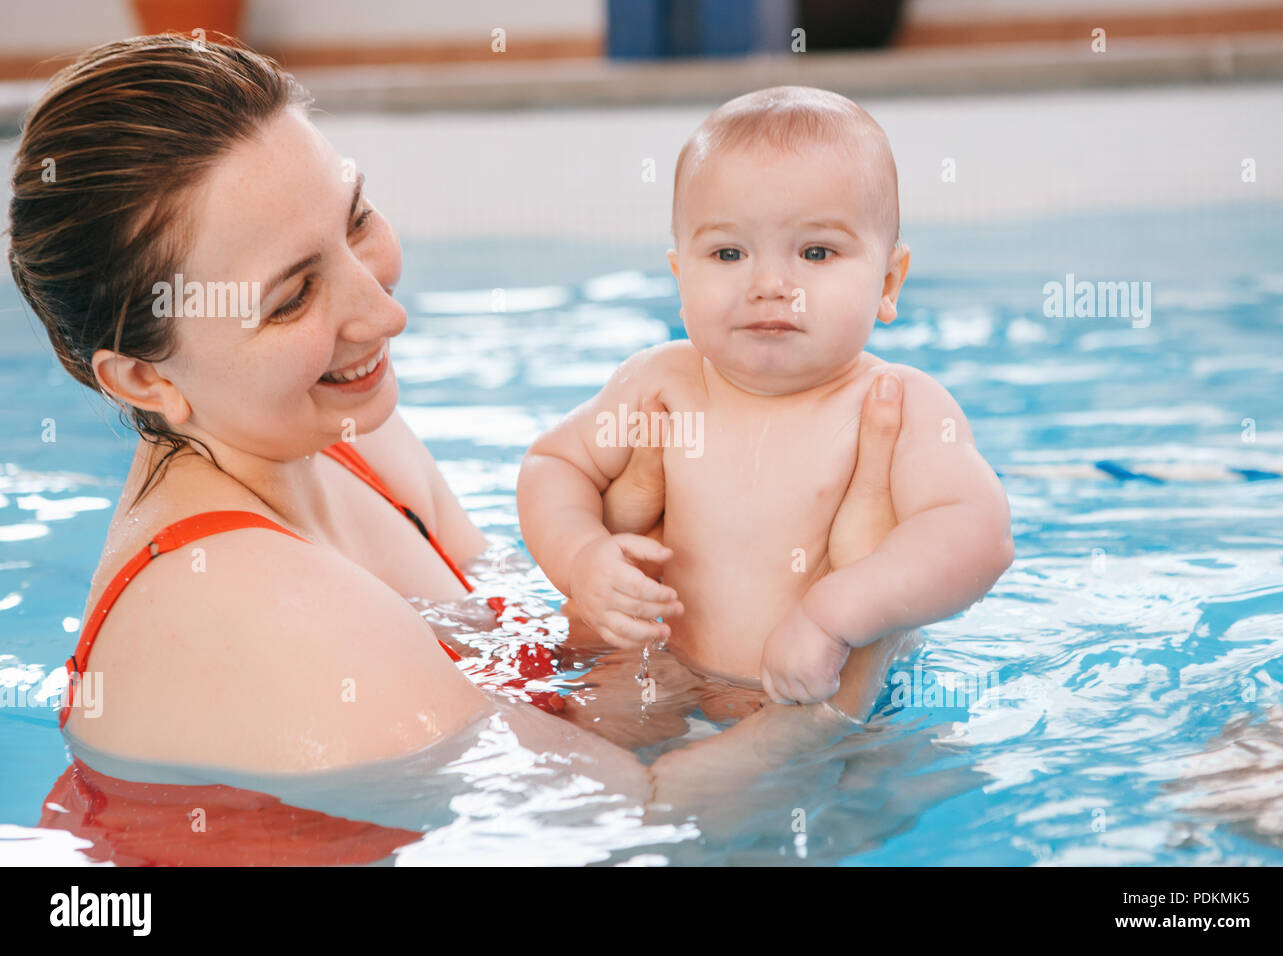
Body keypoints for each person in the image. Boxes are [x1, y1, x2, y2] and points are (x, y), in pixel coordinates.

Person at [7, 37, 909, 789]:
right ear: (143, 381)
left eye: (356, 221)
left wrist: (636, 564)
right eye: (291, 299)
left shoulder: (344, 435)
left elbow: (542, 667)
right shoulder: (250, 604)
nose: (384, 312)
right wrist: (852, 653)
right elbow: (624, 821)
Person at [517, 86, 1014, 707]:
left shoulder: (897, 404)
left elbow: (978, 535)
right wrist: (582, 558)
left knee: (754, 792)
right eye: (728, 252)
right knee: (590, 769)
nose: (771, 285)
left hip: (823, 702)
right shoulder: (660, 383)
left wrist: (833, 618)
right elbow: (553, 466)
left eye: (816, 252)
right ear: (680, 277)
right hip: (660, 674)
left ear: (888, 284)